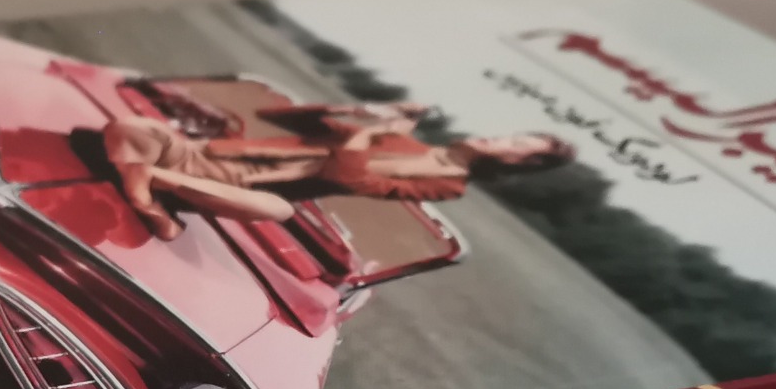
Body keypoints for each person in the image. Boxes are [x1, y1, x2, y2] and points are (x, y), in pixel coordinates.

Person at [100, 101, 573, 240]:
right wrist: (359, 112)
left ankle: (148, 180)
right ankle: (147, 191)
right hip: (199, 156)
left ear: (516, 162)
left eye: (514, 144)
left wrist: (363, 137)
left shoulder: (448, 186)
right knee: (132, 126)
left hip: (231, 190)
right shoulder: (400, 136)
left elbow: (349, 180)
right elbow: (280, 117)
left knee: (278, 211)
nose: (499, 138)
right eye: (511, 133)